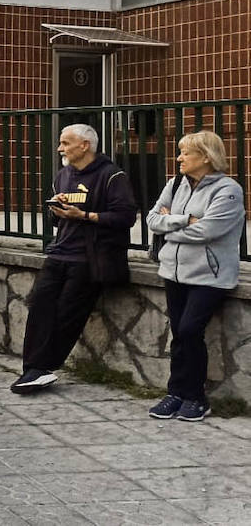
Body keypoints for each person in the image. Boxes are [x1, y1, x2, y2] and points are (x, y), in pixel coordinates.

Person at [12, 124, 137, 394]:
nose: (60, 148)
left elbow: (126, 217)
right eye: (60, 143)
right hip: (60, 252)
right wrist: (56, 209)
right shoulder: (63, 175)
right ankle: (32, 369)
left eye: (65, 143)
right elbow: (55, 221)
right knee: (39, 306)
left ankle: (42, 368)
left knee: (67, 313)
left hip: (89, 259)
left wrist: (85, 216)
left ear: (85, 145)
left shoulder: (112, 175)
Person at [145, 131, 245, 421]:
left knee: (189, 330)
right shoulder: (175, 183)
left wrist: (170, 226)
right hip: (174, 272)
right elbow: (152, 219)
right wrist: (185, 220)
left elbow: (209, 231)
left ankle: (196, 398)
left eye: (185, 153)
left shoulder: (228, 190)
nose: (179, 158)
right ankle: (175, 393)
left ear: (206, 156)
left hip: (210, 275)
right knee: (180, 335)